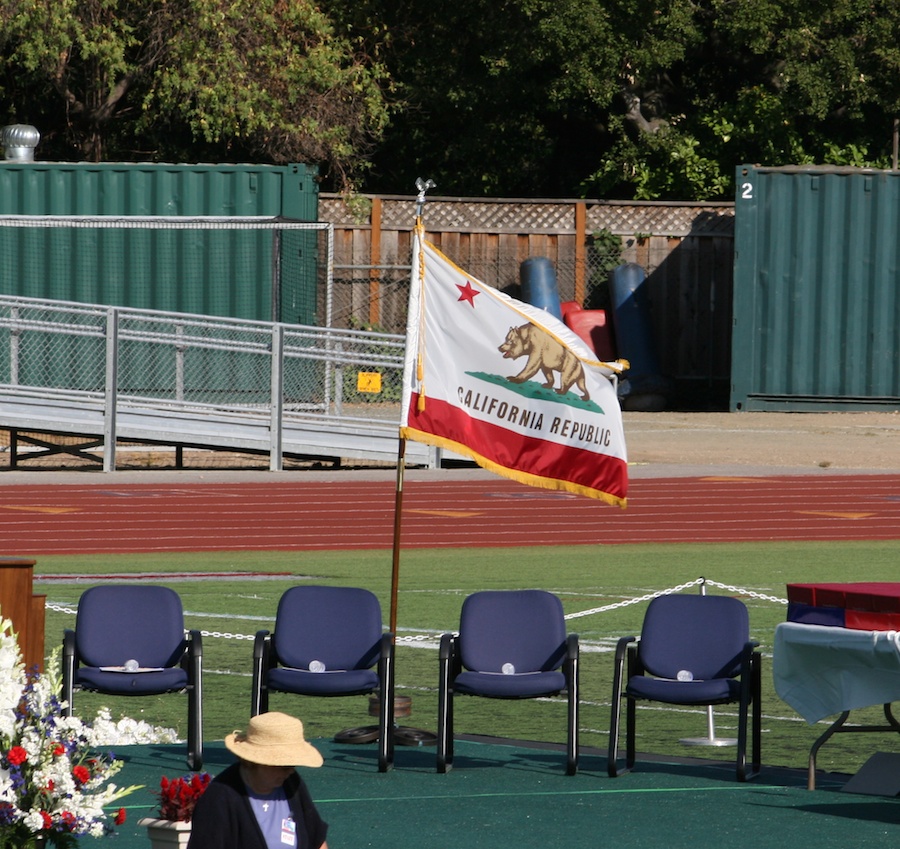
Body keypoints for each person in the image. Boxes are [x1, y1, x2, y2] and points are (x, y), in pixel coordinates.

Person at [187, 711, 329, 849]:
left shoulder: (292, 783)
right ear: (255, 762)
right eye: (284, 765)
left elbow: (317, 841)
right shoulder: (219, 798)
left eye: (293, 764)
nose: (290, 770)